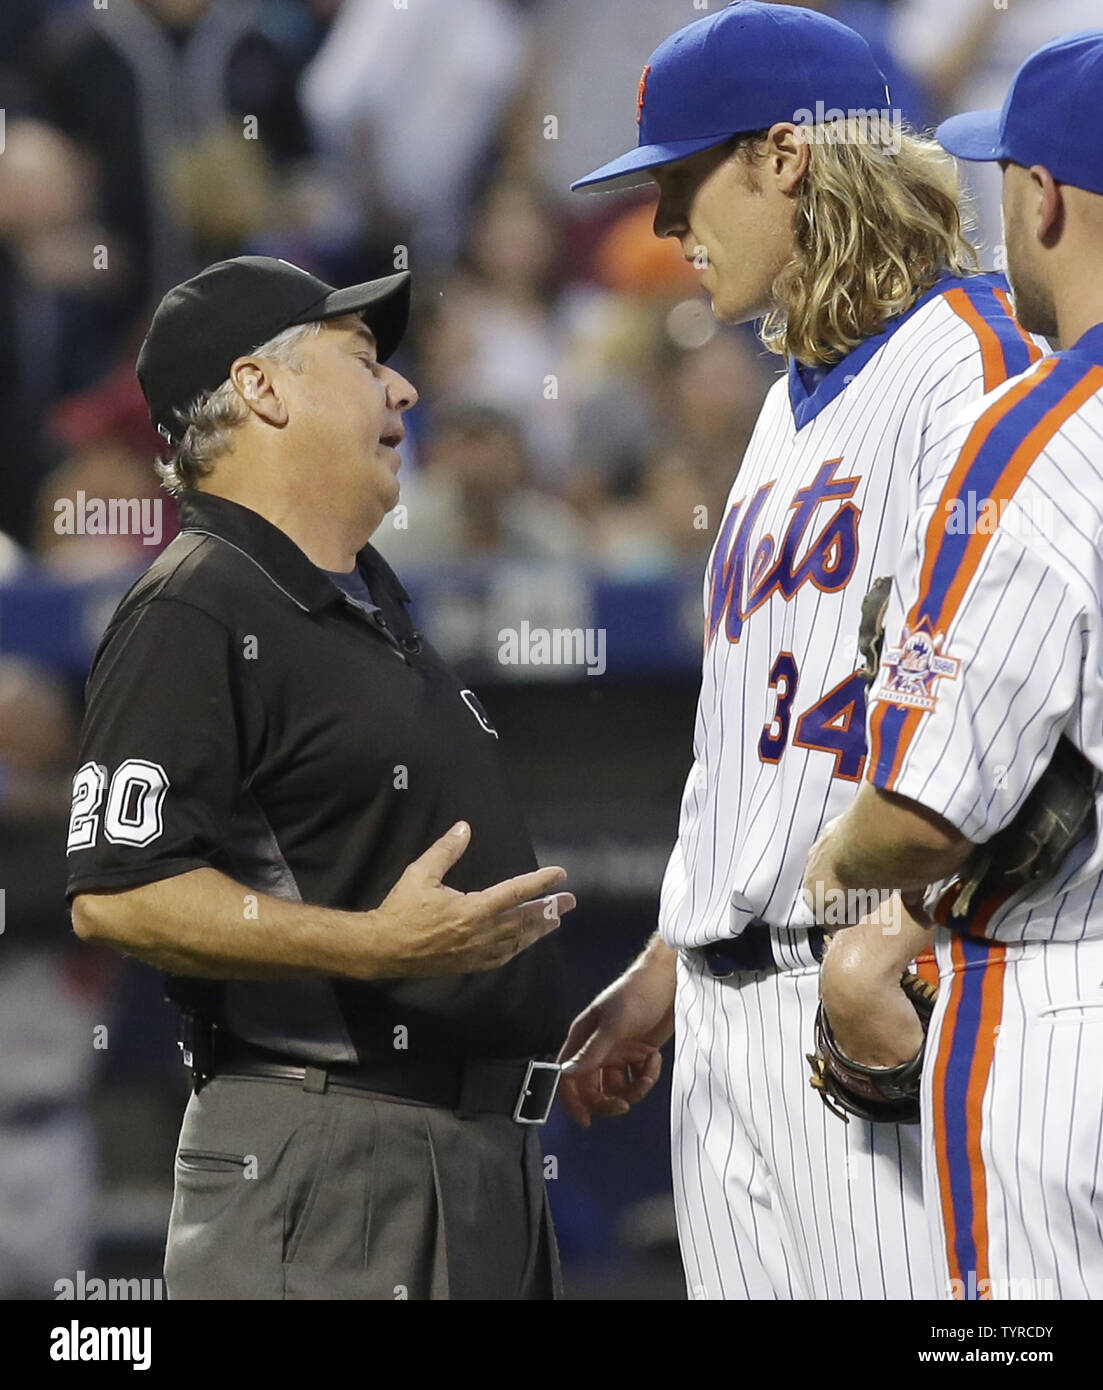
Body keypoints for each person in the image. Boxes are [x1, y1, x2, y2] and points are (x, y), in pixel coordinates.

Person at [557, 0, 1043, 1301]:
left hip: (869, 993)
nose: (660, 225)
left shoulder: (973, 373)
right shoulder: (778, 409)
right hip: (723, 1021)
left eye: (678, 180)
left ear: (784, 158)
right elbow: (734, 735)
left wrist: (891, 934)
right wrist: (669, 957)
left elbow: (1026, 704)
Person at [65, 253, 574, 1301]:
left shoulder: (365, 592)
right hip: (329, 1153)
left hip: (480, 1156)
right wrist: (370, 945)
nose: (403, 388)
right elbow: (117, 893)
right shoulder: (194, 603)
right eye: (361, 359)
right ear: (260, 387)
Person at [806, 29, 1103, 1301]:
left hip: (1056, 1005)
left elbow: (925, 817)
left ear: (1039, 196)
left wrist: (836, 869)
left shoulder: (1038, 434)